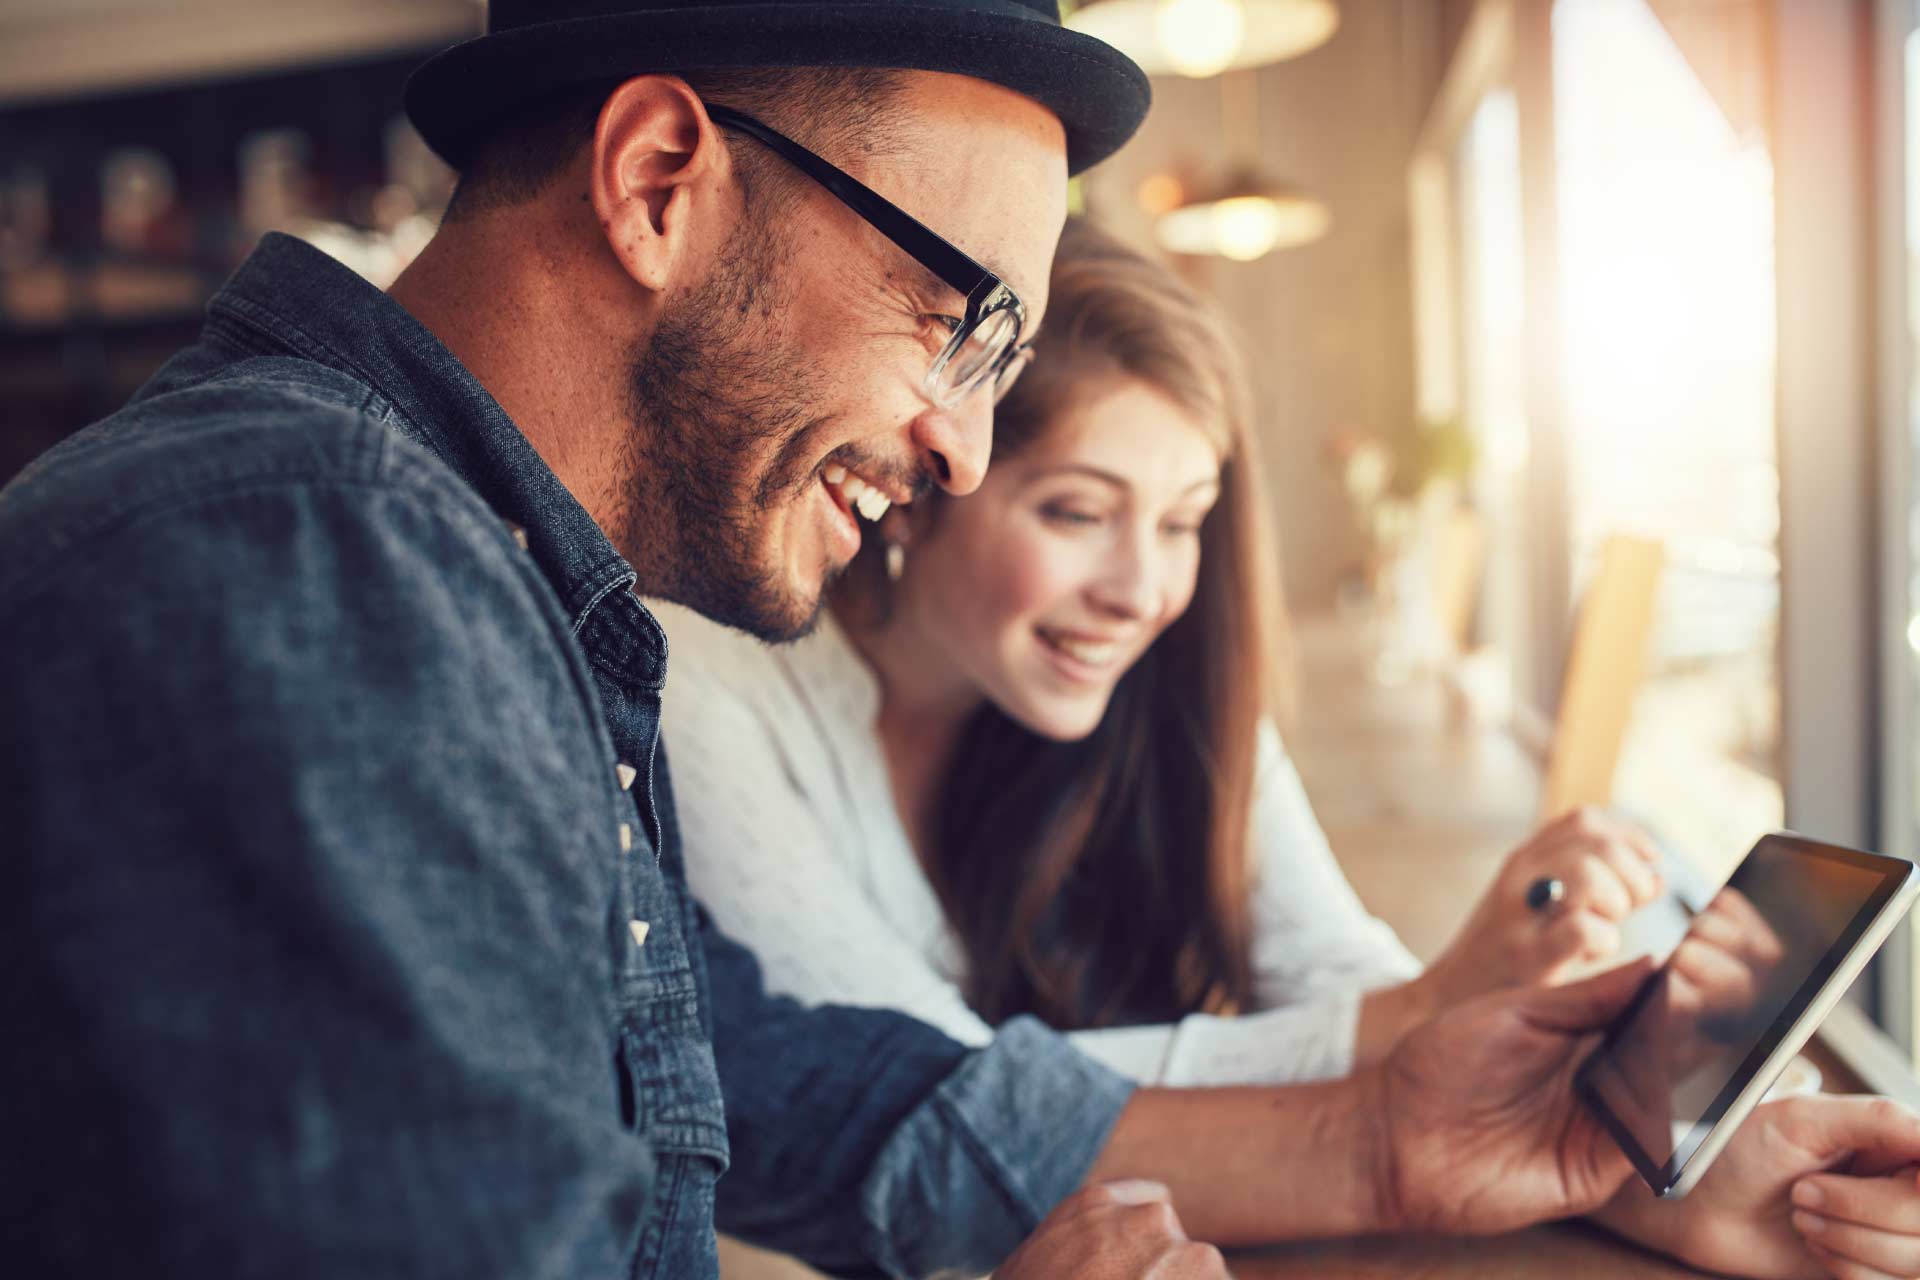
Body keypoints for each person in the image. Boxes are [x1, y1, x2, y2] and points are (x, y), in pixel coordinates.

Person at [3, 3, 1911, 1278]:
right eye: (956, 323)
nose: (965, 449)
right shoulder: (311, 579)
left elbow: (796, 1089)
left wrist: (1393, 1141)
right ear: (661, 181)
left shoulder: (499, 587)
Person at [657, 218, 1920, 1278]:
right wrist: (1423, 1022)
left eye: (1184, 520)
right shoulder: (709, 682)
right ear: (936, 475)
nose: (1142, 589)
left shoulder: (1168, 684)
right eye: (1077, 511)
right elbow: (928, 1095)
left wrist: (1650, 1181)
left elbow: (1334, 977)